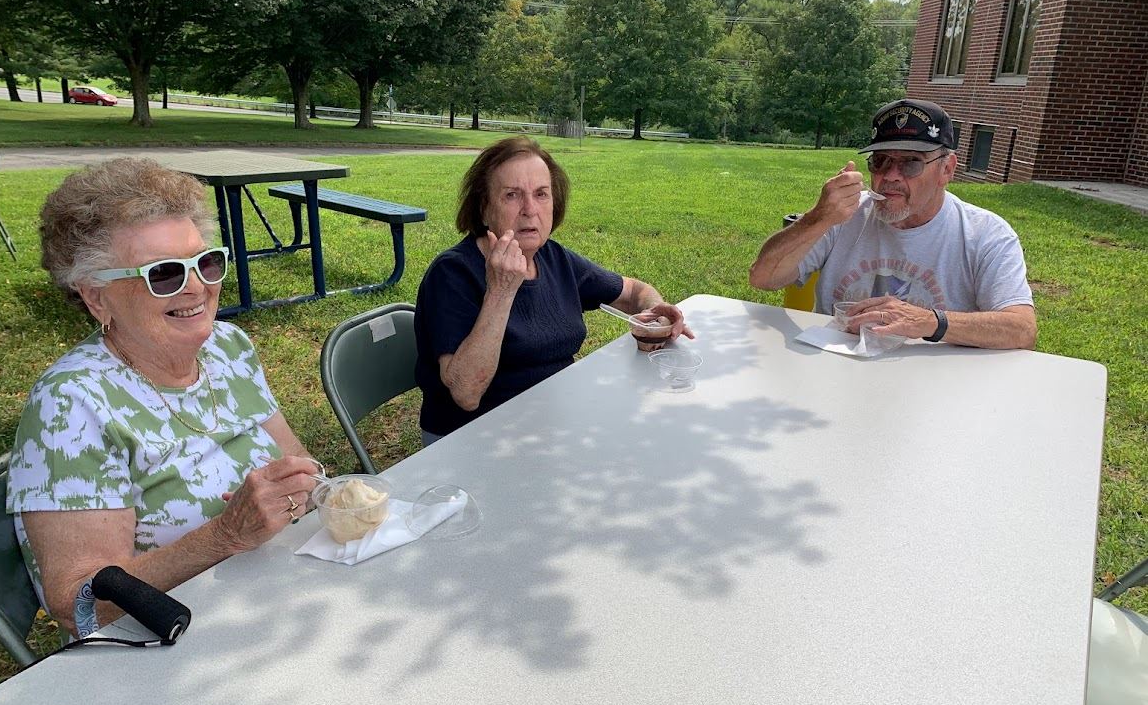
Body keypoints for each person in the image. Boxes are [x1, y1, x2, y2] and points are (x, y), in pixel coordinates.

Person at [5, 158, 321, 638]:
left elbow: (298, 462)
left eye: (207, 261)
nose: (198, 286)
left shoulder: (227, 347)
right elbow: (78, 605)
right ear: (96, 297)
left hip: (281, 597)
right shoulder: (71, 404)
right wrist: (225, 536)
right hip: (168, 639)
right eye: (164, 273)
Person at [414, 136, 693, 442]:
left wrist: (656, 318)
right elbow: (466, 393)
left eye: (541, 194)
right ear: (484, 208)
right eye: (512, 195)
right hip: (475, 440)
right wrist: (501, 291)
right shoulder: (453, 273)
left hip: (552, 422)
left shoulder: (552, 256)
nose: (530, 209)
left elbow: (634, 291)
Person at [748, 99, 1037, 350]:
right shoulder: (844, 215)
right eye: (881, 161)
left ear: (946, 169)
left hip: (934, 383)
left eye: (911, 163)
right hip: (835, 367)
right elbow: (763, 278)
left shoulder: (985, 234)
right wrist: (818, 217)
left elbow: (1021, 329)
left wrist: (928, 322)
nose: (891, 176)